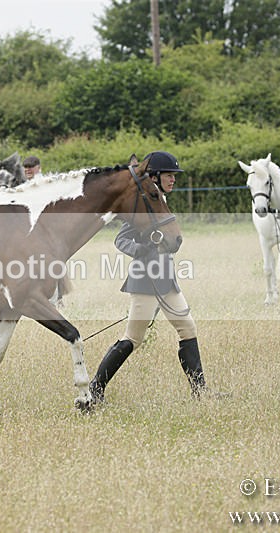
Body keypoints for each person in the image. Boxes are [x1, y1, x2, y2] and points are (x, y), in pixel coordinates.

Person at [89, 151, 223, 404]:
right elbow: (121, 239)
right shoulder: (143, 205)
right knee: (133, 338)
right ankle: (95, 389)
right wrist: (141, 250)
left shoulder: (158, 201)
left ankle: (200, 391)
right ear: (154, 177)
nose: (173, 180)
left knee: (187, 328)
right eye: (169, 175)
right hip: (145, 281)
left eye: (174, 176)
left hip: (165, 279)